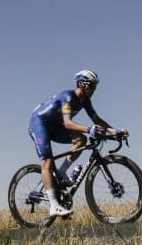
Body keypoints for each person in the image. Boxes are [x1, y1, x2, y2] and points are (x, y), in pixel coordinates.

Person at [29, 70, 127, 218]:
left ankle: (62, 171)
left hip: (55, 126)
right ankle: (54, 206)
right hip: (39, 124)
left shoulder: (85, 101)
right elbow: (68, 123)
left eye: (95, 86)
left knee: (81, 140)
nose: (94, 90)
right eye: (92, 86)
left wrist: (115, 132)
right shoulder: (67, 97)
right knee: (47, 162)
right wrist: (89, 129)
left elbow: (97, 120)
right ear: (82, 84)